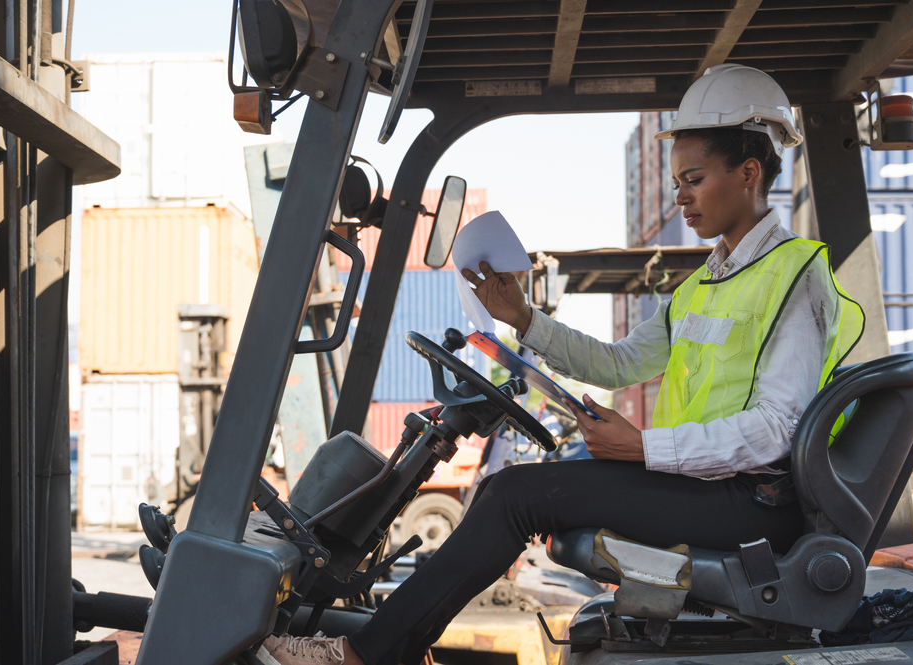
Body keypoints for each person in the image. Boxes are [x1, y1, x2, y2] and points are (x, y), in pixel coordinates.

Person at [259, 64, 864, 665]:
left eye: (694, 178)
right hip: (704, 486)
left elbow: (776, 430)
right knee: (507, 487)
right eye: (677, 180)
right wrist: (524, 320)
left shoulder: (796, 278)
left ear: (749, 172)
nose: (680, 194)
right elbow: (619, 362)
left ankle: (367, 653)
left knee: (517, 495)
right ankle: (384, 646)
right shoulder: (706, 283)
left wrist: (643, 448)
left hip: (752, 503)